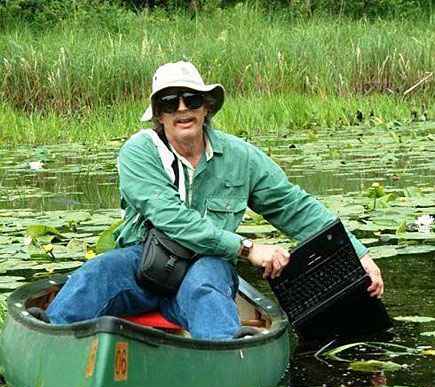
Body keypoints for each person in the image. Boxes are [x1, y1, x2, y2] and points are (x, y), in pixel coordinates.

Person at [47, 61, 384, 340]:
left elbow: (293, 206)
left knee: (206, 286)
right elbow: (172, 219)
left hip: (207, 263)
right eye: (170, 103)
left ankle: (222, 365)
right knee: (96, 274)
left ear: (206, 107)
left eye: (192, 100)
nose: (182, 109)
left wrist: (359, 255)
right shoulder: (139, 152)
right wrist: (249, 249)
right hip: (143, 261)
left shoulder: (242, 157)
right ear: (159, 115)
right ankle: (49, 344)